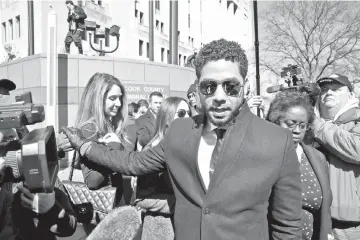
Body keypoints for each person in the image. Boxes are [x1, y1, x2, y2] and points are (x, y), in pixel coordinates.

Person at [62, 39, 302, 239]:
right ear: (198, 87)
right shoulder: (179, 130)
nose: (219, 96)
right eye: (209, 86)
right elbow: (133, 163)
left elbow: (287, 226)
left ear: (246, 87)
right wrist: (86, 146)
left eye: (230, 86)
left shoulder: (277, 140)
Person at [267, 91, 332, 240]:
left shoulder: (317, 157)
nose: (296, 130)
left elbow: (326, 206)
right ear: (274, 122)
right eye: (290, 124)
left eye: (302, 125)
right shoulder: (263, 155)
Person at [310, 73, 360, 240]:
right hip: (310, 215)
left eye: (336, 89)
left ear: (351, 95)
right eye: (324, 90)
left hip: (348, 223)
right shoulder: (304, 122)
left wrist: (317, 125)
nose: (329, 93)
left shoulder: (357, 120)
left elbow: (357, 149)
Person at [133, 97, 191, 240]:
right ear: (167, 117)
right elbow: (140, 198)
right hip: (160, 229)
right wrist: (178, 203)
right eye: (182, 113)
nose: (188, 117)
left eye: (189, 113)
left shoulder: (183, 145)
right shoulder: (152, 150)